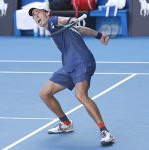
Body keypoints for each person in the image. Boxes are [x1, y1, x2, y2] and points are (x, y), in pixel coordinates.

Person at [28, 5, 115, 145]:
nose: (36, 16)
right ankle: (66, 123)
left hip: (82, 62)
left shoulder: (53, 20)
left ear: (47, 13)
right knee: (45, 93)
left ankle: (105, 132)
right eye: (33, 16)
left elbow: (61, 20)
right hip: (69, 65)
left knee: (80, 95)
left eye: (38, 12)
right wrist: (99, 35)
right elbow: (80, 29)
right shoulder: (54, 28)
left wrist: (70, 19)